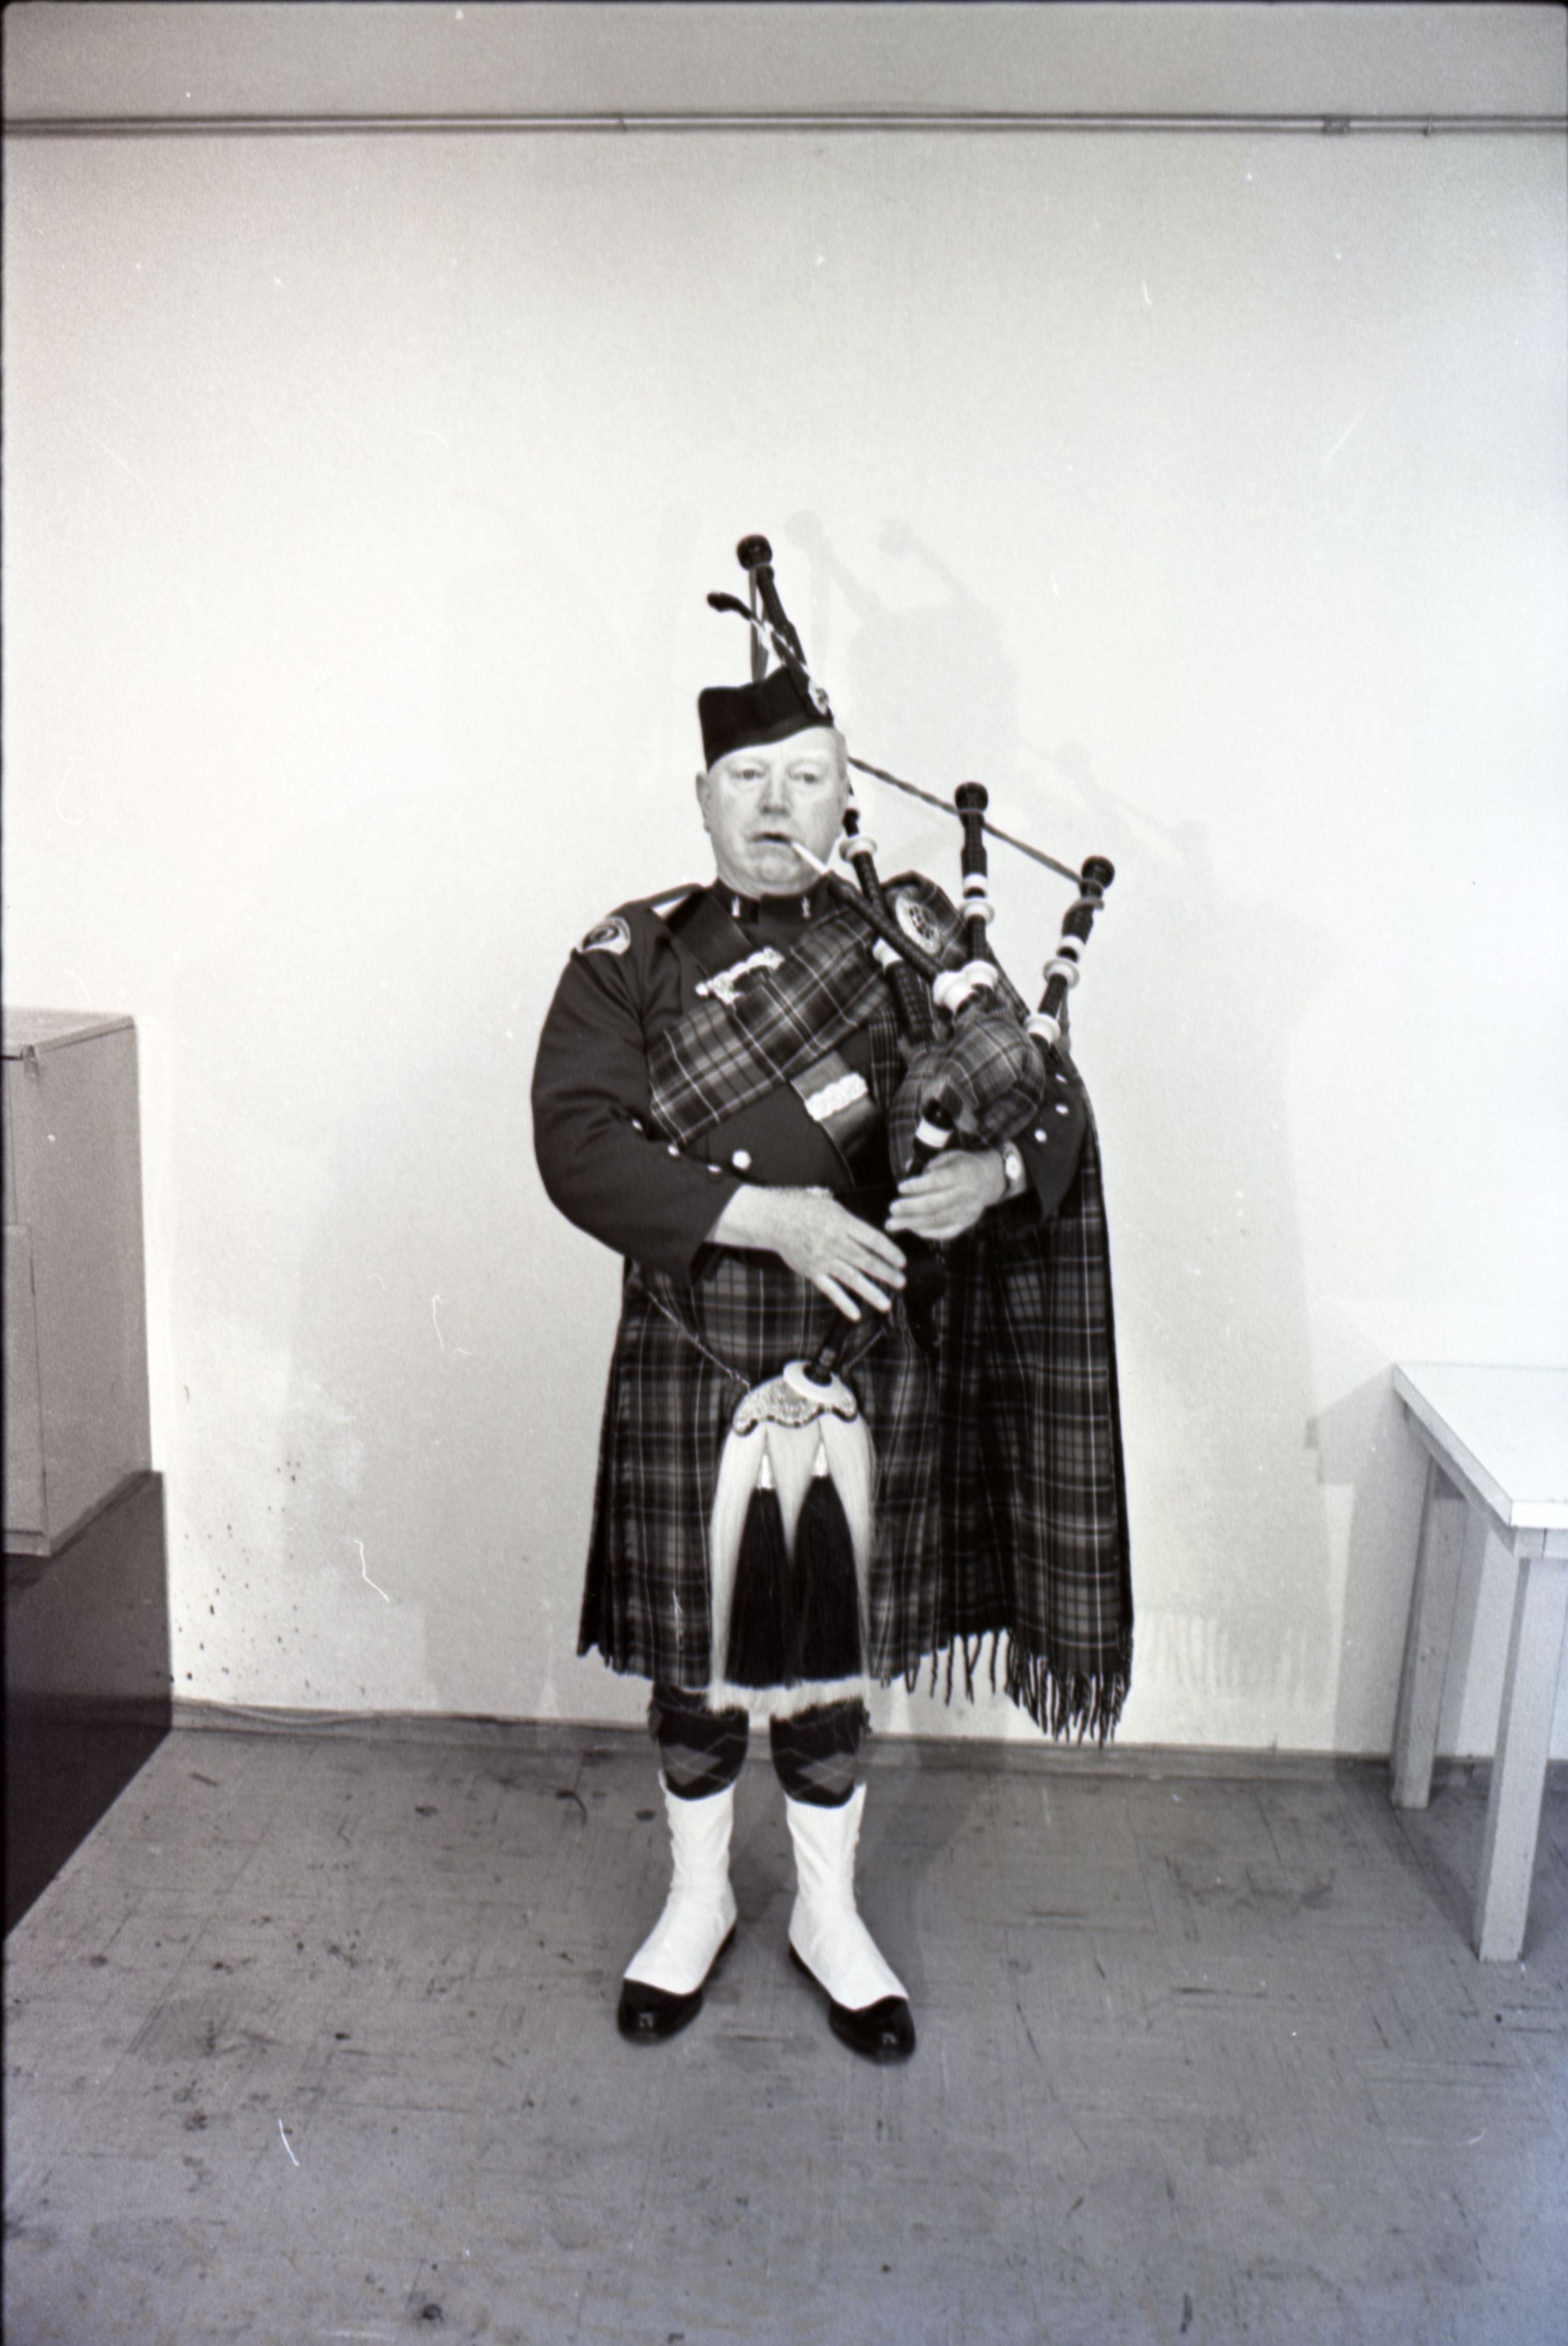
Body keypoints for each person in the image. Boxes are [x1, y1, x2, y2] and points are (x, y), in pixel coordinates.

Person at [532, 561, 1131, 2063]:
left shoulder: (910, 943)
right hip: (697, 1352)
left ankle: (825, 1910)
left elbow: (1050, 1100)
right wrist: (777, 1218)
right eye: (749, 778)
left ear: (849, 791)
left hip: (864, 1363)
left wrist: (995, 1173)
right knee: (696, 1658)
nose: (778, 803)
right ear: (703, 796)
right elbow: (576, 1142)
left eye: (808, 776)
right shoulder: (632, 957)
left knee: (828, 1665)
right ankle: (695, 1900)